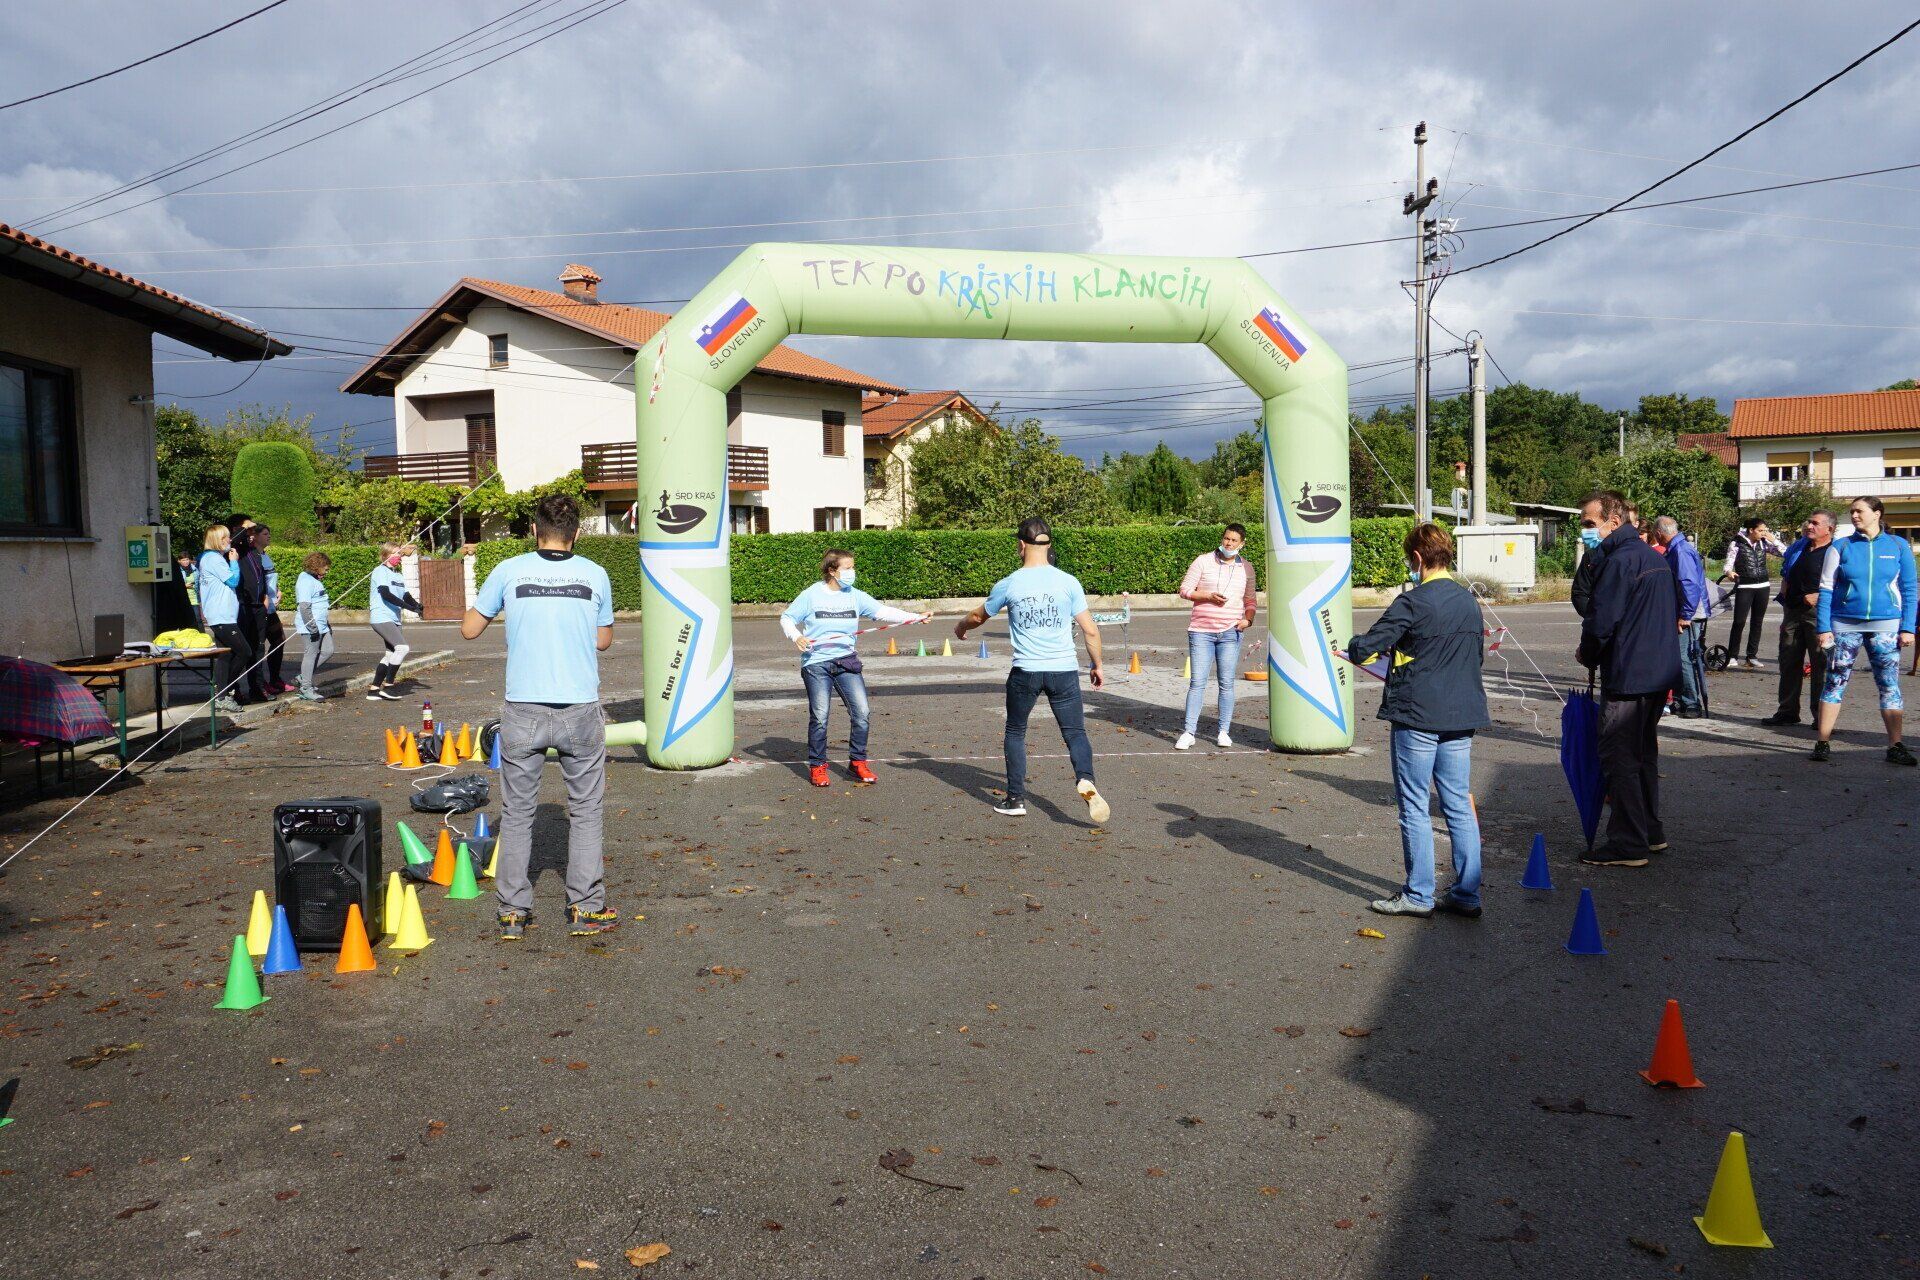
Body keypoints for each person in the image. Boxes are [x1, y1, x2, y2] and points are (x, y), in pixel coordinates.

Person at [463, 495, 618, 940]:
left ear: (534, 531)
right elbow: (603, 640)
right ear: (576, 534)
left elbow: (469, 629)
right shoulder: (595, 573)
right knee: (585, 811)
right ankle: (586, 907)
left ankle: (513, 912)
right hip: (579, 707)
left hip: (523, 707)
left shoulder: (509, 570)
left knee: (516, 812)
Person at [1344, 524, 1488, 919]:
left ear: (1419, 558)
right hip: (1462, 714)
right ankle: (1466, 893)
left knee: (1414, 806)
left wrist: (1354, 647)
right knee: (1458, 804)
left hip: (1419, 712)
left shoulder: (1412, 601)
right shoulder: (1469, 601)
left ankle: (1419, 894)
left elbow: (1366, 647)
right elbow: (1475, 656)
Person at [954, 517, 1111, 825]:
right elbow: (1090, 630)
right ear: (1050, 545)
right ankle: (1085, 778)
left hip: (1026, 671)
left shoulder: (1010, 583)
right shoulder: (1068, 582)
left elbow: (978, 616)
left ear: (1021, 546)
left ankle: (1015, 799)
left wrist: (961, 627)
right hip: (1063, 671)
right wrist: (1097, 665)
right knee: (1075, 732)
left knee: (1016, 731)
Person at [1576, 490, 1682, 868]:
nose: (1585, 530)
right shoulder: (1650, 557)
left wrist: (1588, 653)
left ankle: (1627, 843)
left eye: (1590, 523)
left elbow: (1602, 621)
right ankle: (1650, 832)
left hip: (1630, 675)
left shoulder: (1620, 561)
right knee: (1642, 756)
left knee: (1619, 758)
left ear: (1614, 521)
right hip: (1657, 673)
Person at [780, 549, 928, 787]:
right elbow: (787, 618)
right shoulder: (811, 595)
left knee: (862, 713)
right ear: (832, 571)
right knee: (820, 717)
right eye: (847, 568)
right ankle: (818, 766)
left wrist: (915, 617)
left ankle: (857, 762)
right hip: (817, 663)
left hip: (846, 661)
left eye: (853, 567)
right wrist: (796, 636)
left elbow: (883, 612)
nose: (852, 572)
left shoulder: (855, 596)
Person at [1811, 496, 1918, 765]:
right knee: (1834, 682)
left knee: (1889, 684)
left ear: (1877, 513)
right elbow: (1826, 589)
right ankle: (1822, 742)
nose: (1854, 516)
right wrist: (1823, 628)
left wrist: (1908, 627)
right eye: (1852, 512)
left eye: (1859, 511)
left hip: (1886, 625)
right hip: (1844, 624)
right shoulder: (1841, 546)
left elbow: (1909, 588)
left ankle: (1895, 745)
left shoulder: (1898, 546)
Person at [1174, 522, 1258, 750]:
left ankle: (1223, 732)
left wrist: (1248, 620)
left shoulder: (1247, 568)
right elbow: (1185, 590)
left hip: (1231, 632)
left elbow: (1250, 600)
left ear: (1241, 544)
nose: (1228, 543)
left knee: (1226, 684)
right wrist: (1208, 596)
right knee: (1197, 683)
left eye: (1234, 540)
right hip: (1201, 631)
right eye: (1226, 538)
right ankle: (1189, 732)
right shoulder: (1203, 561)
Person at [1763, 510, 1835, 727]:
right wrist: (1785, 590)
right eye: (1809, 522)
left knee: (1820, 663)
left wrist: (1820, 596)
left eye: (1815, 523)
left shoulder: (1836, 551)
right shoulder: (1800, 546)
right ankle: (1787, 711)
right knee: (1788, 661)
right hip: (1793, 611)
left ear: (1829, 529)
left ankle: (1821, 716)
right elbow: (1787, 568)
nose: (1809, 526)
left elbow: (1845, 583)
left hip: (1819, 614)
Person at [1652, 517, 1709, 718]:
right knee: (1678, 656)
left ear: (1658, 533)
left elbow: (1688, 583)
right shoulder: (1677, 548)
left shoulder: (1681, 551)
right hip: (1685, 610)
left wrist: (1685, 615)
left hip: (1689, 613)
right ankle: (1681, 700)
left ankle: (1691, 702)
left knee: (1683, 657)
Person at [196, 525, 251, 715]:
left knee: (225, 656)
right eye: (225, 538)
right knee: (244, 651)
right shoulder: (213, 558)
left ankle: (221, 695)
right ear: (216, 541)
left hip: (221, 614)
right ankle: (224, 691)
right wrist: (234, 562)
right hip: (221, 615)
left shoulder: (209, 558)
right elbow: (233, 580)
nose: (229, 540)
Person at [1719, 517, 1786, 668]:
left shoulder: (1764, 543)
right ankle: (1732, 656)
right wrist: (1729, 572)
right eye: (1761, 530)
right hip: (1745, 586)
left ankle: (1751, 656)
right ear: (1751, 530)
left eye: (1765, 530)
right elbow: (1728, 563)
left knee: (1757, 622)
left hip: (1763, 586)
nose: (1764, 533)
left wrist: (1774, 540)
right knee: (1739, 621)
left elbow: (1786, 553)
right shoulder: (1737, 543)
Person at [367, 542, 422, 702]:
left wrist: (417, 606)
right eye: (396, 553)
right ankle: (388, 686)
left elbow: (405, 595)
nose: (399, 556)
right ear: (386, 555)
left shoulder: (398, 575)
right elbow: (386, 594)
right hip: (381, 617)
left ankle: (373, 690)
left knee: (390, 654)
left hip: (394, 618)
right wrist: (408, 608)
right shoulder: (380, 571)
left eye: (400, 553)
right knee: (402, 648)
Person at [229, 516, 272, 702]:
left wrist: (265, 595)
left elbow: (259, 575)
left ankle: (257, 687)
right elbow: (233, 540)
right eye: (247, 530)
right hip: (242, 606)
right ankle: (234, 689)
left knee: (257, 648)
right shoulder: (233, 549)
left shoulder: (252, 551)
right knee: (240, 650)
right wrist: (244, 527)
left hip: (258, 606)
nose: (251, 534)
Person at [252, 524, 292, 695]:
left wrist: (276, 590)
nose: (269, 536)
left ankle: (275, 679)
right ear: (255, 537)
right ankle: (259, 684)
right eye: (265, 534)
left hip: (271, 607)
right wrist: (263, 597)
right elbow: (254, 581)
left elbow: (269, 578)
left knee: (279, 640)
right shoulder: (252, 556)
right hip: (261, 607)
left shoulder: (264, 555)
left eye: (269, 533)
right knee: (258, 646)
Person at [294, 551, 334, 702]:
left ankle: (303, 677)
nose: (327, 571)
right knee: (310, 654)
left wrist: (326, 625)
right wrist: (312, 628)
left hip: (322, 625)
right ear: (317, 566)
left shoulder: (314, 580)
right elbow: (304, 607)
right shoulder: (305, 580)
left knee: (328, 651)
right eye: (325, 568)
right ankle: (306, 688)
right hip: (311, 626)